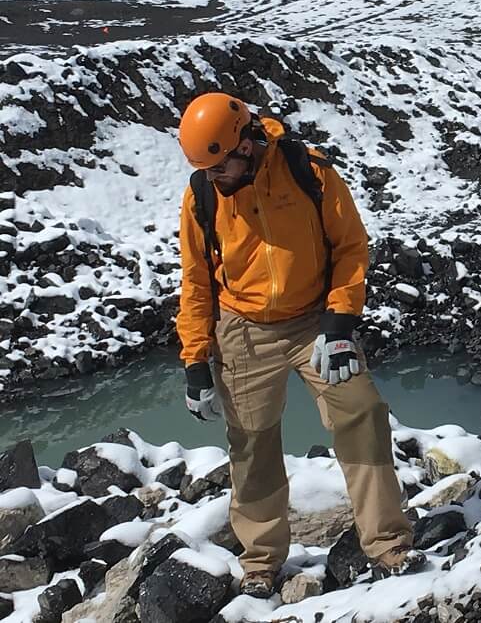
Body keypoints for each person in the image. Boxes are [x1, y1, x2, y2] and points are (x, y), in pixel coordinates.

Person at [175, 93, 422, 598]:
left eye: (222, 167)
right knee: (251, 442)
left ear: (247, 142)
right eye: (210, 170)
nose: (217, 179)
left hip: (315, 322)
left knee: (362, 412)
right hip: (243, 328)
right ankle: (262, 561)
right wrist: (195, 361)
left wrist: (339, 323)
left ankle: (387, 544)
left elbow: (351, 247)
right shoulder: (202, 194)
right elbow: (196, 282)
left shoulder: (308, 172)